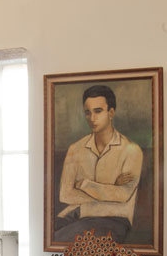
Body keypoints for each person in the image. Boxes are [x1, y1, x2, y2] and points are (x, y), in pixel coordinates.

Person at [54, 83, 143, 243]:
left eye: (98, 111)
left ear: (111, 112)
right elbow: (65, 194)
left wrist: (85, 185)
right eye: (87, 112)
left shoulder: (131, 150)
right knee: (50, 238)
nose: (92, 118)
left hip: (114, 218)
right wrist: (110, 189)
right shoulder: (75, 149)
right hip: (74, 214)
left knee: (63, 239)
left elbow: (122, 195)